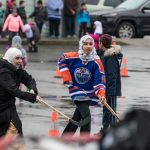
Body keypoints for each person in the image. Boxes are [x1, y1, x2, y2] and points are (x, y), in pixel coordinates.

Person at [58, 35, 106, 136]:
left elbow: (99, 81)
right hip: (76, 90)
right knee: (86, 116)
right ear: (81, 45)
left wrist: (101, 94)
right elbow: (61, 59)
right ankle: (84, 143)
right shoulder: (74, 56)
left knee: (77, 117)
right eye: (85, 44)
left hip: (89, 94)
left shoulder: (96, 62)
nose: (88, 46)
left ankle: (65, 138)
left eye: (90, 44)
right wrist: (67, 77)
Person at [0, 47, 42, 139]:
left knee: (17, 130)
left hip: (9, 106)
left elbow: (29, 79)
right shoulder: (3, 72)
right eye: (17, 58)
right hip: (1, 108)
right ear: (10, 58)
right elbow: (14, 91)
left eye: (21, 58)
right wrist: (33, 97)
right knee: (7, 132)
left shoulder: (17, 69)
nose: (20, 61)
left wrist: (32, 89)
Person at [98, 34, 122, 133]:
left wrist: (109, 92)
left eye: (99, 42)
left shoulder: (110, 57)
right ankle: (104, 130)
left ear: (101, 43)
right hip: (106, 88)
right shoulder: (105, 54)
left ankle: (113, 132)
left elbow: (112, 76)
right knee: (106, 110)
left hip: (111, 89)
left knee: (111, 111)